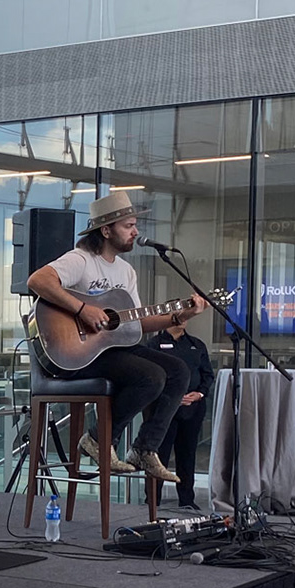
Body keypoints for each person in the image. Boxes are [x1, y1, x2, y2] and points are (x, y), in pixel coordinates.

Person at [25, 191, 207, 482]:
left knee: (178, 370)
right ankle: (99, 439)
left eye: (135, 225)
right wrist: (83, 309)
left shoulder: (126, 271)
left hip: (112, 350)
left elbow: (136, 323)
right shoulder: (81, 260)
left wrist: (179, 316)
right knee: (151, 376)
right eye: (128, 226)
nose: (135, 232)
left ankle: (145, 449)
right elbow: (37, 280)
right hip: (78, 354)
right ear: (106, 230)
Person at [149, 315, 215, 509]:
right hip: (164, 408)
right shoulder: (154, 344)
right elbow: (149, 376)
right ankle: (152, 500)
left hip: (193, 408)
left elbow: (208, 375)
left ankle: (187, 500)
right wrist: (172, 395)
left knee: (187, 454)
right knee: (158, 455)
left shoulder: (196, 345)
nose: (183, 318)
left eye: (186, 314)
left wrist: (199, 394)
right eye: (179, 313)